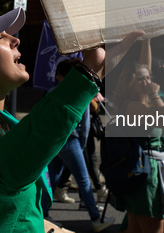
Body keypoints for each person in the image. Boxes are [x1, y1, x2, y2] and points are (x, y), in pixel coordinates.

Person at [0, 9, 141, 232]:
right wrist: (87, 74)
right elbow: (8, 168)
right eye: (0, 37)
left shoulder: (2, 122)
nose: (15, 39)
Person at [45, 58, 114, 230]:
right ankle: (96, 218)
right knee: (83, 181)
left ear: (60, 75)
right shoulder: (79, 92)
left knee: (52, 179)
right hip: (71, 140)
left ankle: (43, 214)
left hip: (55, 141)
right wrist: (81, 144)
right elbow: (86, 124)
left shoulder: (52, 92)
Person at [112, 61, 164, 233]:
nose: (147, 82)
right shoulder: (134, 106)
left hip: (140, 170)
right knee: (153, 228)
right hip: (146, 174)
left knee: (135, 228)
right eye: (141, 79)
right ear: (129, 84)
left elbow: (145, 62)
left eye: (148, 78)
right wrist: (155, 95)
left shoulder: (136, 104)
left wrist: (146, 40)